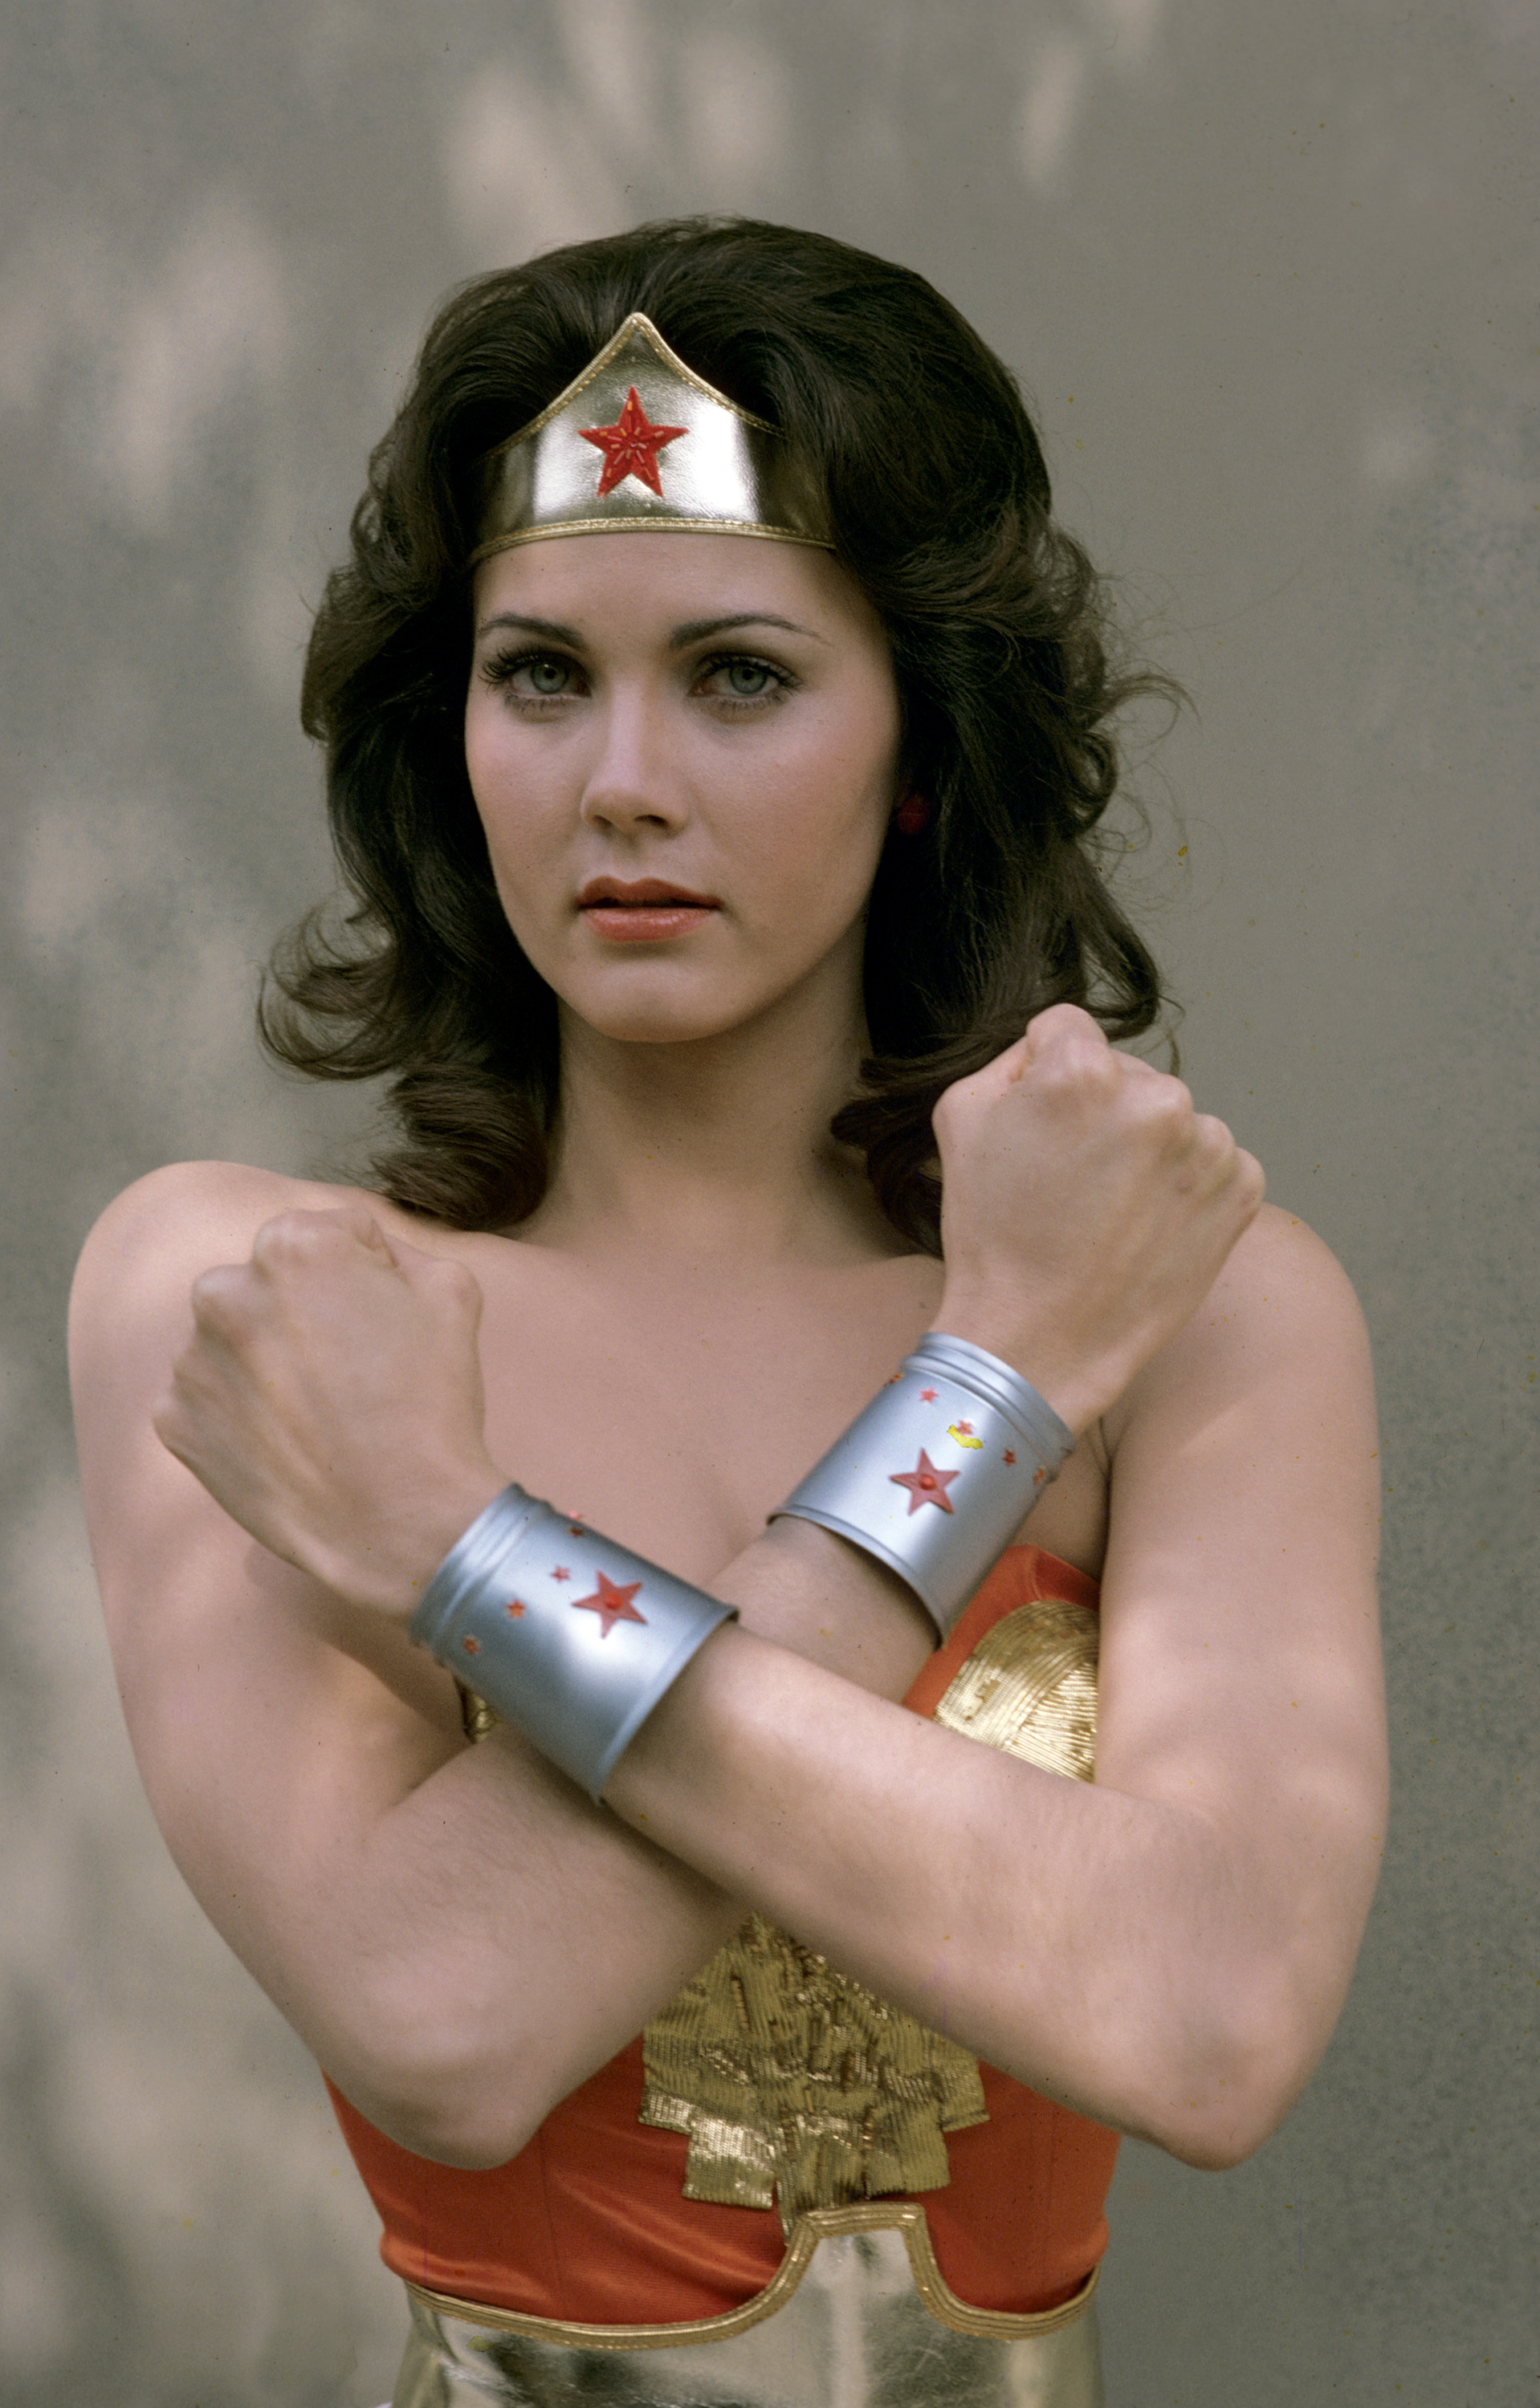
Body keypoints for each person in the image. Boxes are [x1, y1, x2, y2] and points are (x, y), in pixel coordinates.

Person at [68, 218, 1387, 2408]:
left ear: (928, 745)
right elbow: (447, 2024)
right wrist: (1000, 1395)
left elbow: (1212, 2020)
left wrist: (469, 1557)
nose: (622, 785)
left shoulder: (1206, 1314)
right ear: (450, 728)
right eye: (541, 675)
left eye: (744, 675)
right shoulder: (272, 1316)